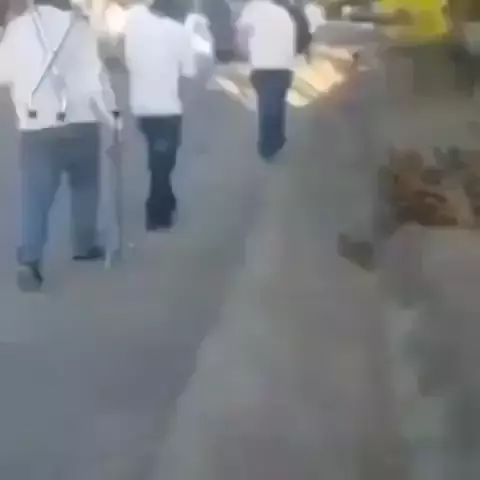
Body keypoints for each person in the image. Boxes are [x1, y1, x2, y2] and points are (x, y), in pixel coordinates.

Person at [0, 0, 116, 292]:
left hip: (36, 127)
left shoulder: (18, 28)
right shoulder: (80, 27)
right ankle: (84, 244)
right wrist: (113, 116)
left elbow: (3, 73)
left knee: (35, 197)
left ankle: (30, 259)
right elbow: (96, 79)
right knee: (85, 187)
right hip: (81, 123)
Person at [119, 0, 196, 231]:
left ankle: (168, 200)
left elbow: (124, 54)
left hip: (141, 107)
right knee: (162, 163)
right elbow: (190, 70)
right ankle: (157, 214)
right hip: (167, 108)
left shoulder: (134, 22)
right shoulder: (179, 32)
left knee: (159, 159)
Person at [237, 0, 296, 161]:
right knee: (277, 102)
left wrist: (247, 54)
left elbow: (241, 35)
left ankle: (268, 146)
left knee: (266, 105)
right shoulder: (284, 13)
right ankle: (277, 138)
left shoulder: (251, 9)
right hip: (285, 66)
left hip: (262, 65)